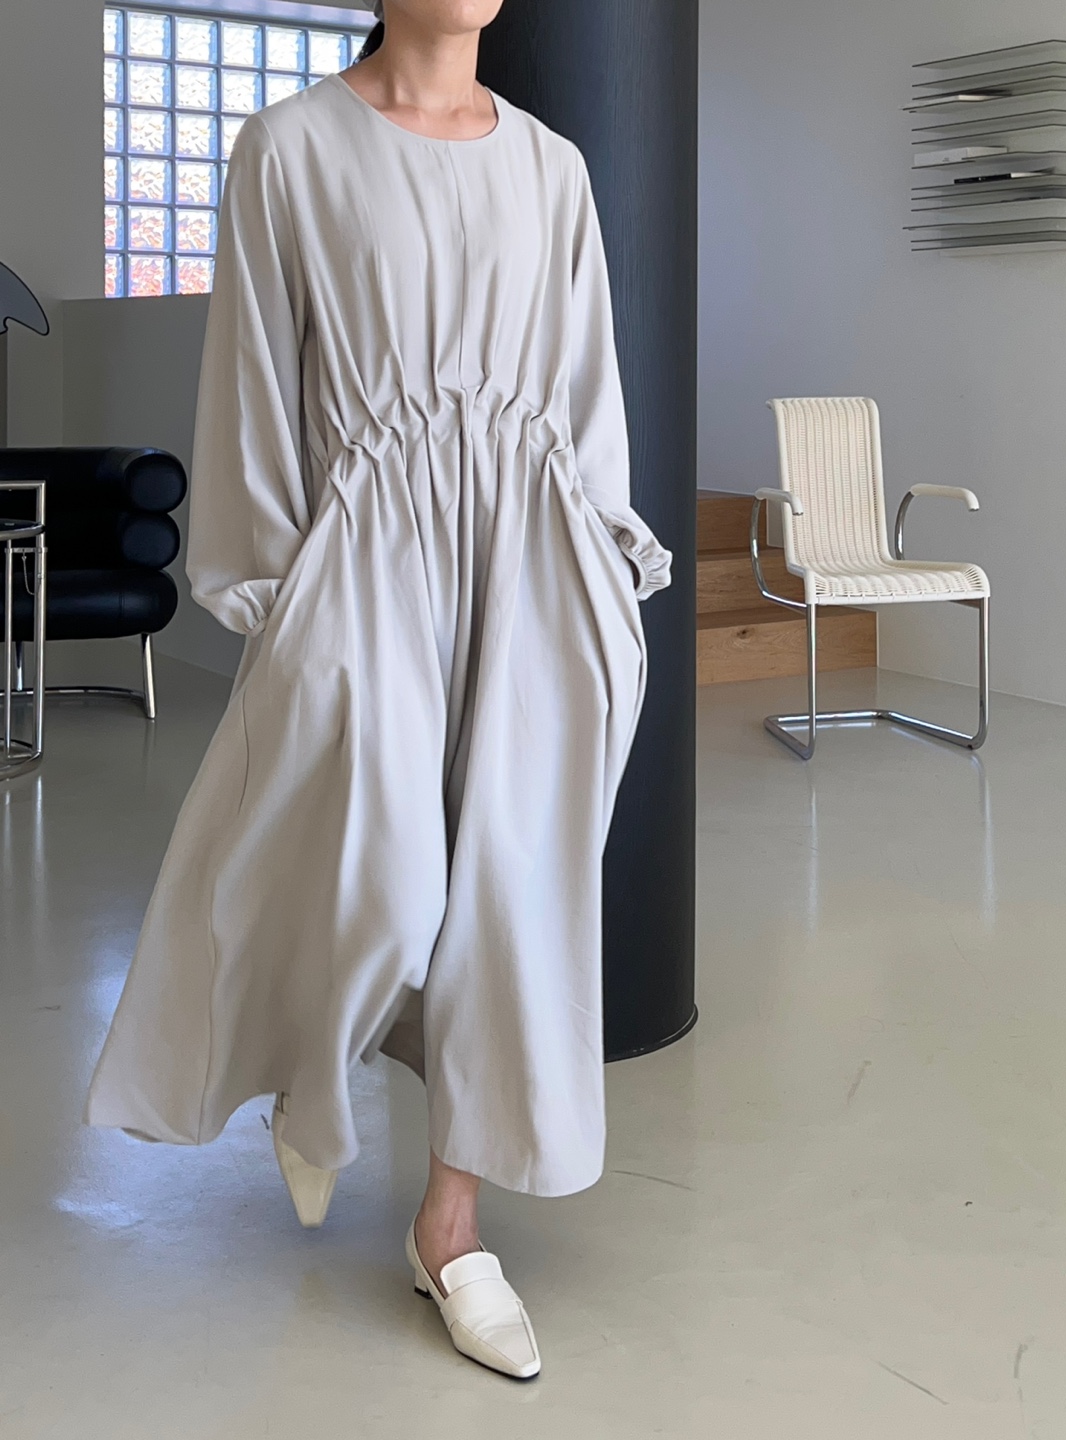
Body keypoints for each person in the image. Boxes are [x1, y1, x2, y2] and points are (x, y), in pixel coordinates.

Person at [85, 0, 672, 1380]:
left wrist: (606, 561)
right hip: (368, 560)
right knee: (383, 881)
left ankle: (450, 1228)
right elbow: (252, 390)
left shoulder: (553, 166)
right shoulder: (289, 148)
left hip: (533, 567)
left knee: (510, 900)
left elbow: (586, 384)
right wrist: (279, 595)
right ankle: (314, 1082)